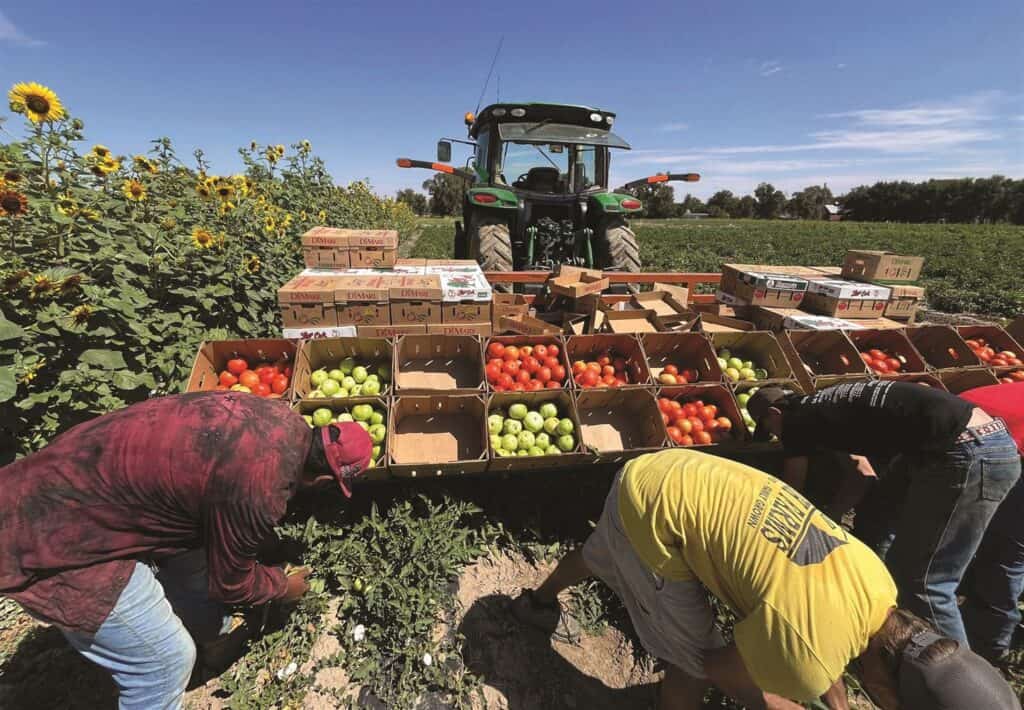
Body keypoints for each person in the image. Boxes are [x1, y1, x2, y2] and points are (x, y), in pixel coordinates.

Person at [511, 449, 1018, 709]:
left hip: (673, 473)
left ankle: (537, 601)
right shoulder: (809, 653)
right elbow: (716, 665)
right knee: (688, 659)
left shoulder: (878, 587)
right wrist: (776, 701)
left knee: (609, 548)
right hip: (655, 515)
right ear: (886, 698)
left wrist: (828, 700)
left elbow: (824, 646)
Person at [0, 391, 372, 710]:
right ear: (324, 480)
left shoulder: (277, 416)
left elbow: (214, 498)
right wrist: (281, 587)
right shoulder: (261, 489)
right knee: (164, 662)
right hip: (50, 542)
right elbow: (233, 583)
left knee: (193, 550)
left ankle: (213, 637)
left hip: (56, 479)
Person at [747, 381, 1021, 646]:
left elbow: (792, 487)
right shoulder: (827, 402)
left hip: (964, 452)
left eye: (770, 428)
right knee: (877, 515)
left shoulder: (796, 421)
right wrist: (833, 516)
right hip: (979, 440)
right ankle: (879, 610)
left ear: (774, 413)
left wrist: (802, 523)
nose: (775, 436)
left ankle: (955, 678)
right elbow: (864, 476)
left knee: (925, 582)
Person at [958, 381, 1024, 664]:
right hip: (1006, 442)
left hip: (1005, 446)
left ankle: (991, 644)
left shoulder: (957, 409)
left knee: (1007, 554)